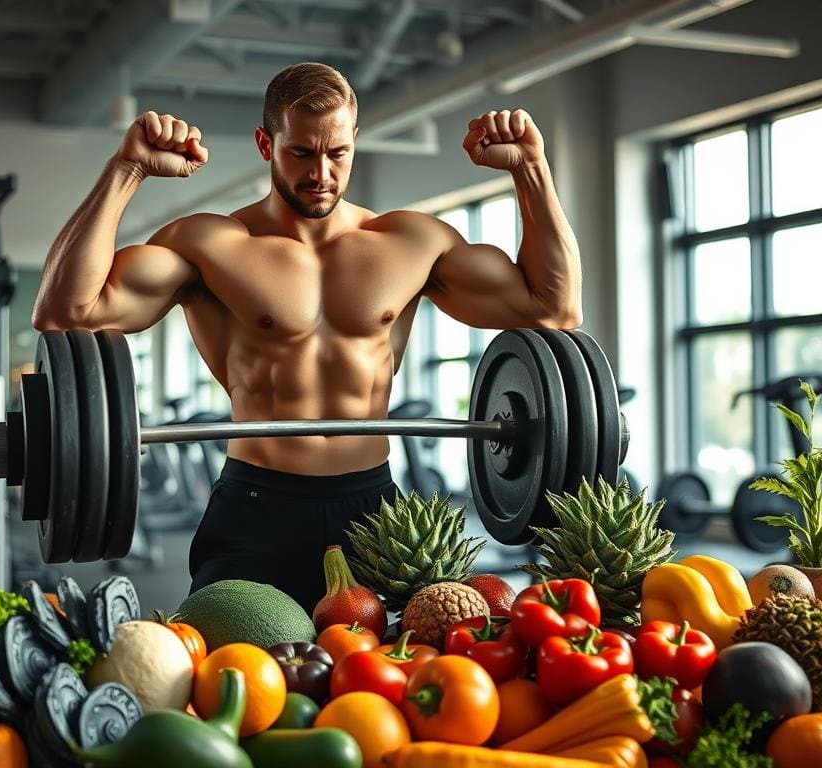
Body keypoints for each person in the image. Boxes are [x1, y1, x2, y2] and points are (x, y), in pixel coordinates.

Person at [33, 62, 582, 614]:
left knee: (400, 678)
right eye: (301, 153)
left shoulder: (410, 241)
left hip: (376, 508)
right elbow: (66, 311)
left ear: (354, 142)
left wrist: (532, 169)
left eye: (337, 153)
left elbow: (553, 307)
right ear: (265, 143)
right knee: (236, 674)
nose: (321, 172)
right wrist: (126, 170)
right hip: (256, 504)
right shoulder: (211, 244)